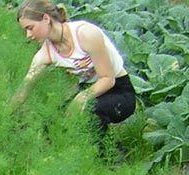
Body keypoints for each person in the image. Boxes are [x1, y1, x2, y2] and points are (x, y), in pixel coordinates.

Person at [11, 0, 136, 134]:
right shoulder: (45, 53)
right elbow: (24, 90)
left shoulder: (85, 34)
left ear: (46, 19)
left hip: (119, 90)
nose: (28, 36)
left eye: (30, 28)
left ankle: (103, 154)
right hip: (90, 91)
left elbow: (108, 79)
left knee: (90, 114)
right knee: (53, 122)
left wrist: (80, 98)